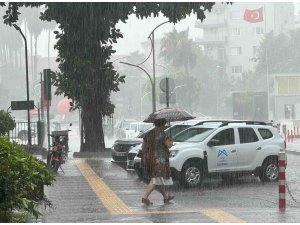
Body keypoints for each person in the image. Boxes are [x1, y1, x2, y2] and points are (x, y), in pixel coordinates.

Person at [141, 118, 174, 206]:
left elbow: (143, 147)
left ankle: (165, 197)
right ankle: (145, 197)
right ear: (162, 124)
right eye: (164, 124)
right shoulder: (163, 134)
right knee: (156, 179)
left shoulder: (148, 134)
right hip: (160, 159)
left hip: (150, 158)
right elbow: (169, 145)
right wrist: (171, 141)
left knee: (159, 179)